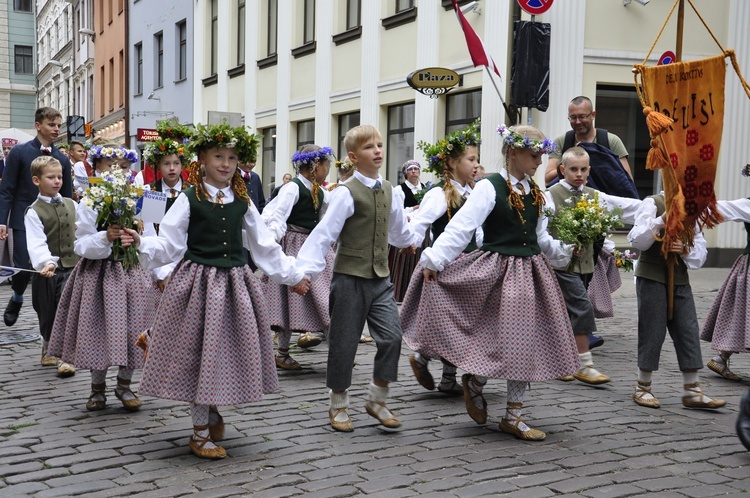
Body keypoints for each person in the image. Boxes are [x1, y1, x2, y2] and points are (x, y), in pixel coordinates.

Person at [127, 123, 310, 459]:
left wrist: (292, 275)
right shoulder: (189, 198)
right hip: (197, 286)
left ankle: (209, 411)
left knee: (223, 352)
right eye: (218, 156)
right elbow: (169, 243)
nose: (225, 163)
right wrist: (142, 245)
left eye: (232, 157)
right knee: (198, 354)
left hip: (236, 286)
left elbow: (264, 246)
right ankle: (199, 433)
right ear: (202, 159)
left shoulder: (242, 200)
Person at [417, 124, 579, 441]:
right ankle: (476, 380)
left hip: (531, 274)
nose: (538, 162)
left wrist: (565, 251)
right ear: (514, 153)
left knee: (524, 342)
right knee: (493, 338)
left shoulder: (537, 194)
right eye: (534, 156)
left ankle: (513, 415)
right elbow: (462, 227)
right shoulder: (489, 187)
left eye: (540, 155)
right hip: (496, 273)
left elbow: (541, 238)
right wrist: (435, 259)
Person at [296, 124, 418, 432]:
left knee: (392, 337)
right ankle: (338, 404)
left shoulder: (390, 189)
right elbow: (324, 235)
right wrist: (302, 272)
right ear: (353, 156)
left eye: (379, 144)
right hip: (349, 278)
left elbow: (397, 228)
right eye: (369, 147)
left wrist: (409, 240)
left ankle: (377, 399)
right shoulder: (346, 193)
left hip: (380, 278)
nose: (377, 150)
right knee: (344, 343)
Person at [47, 146, 160, 414]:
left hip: (132, 273)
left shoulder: (141, 199)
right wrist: (105, 237)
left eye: (122, 167)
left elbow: (155, 239)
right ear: (96, 169)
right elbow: (81, 244)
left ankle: (125, 384)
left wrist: (159, 271)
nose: (117, 172)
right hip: (99, 276)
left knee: (136, 329)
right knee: (99, 330)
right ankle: (97, 388)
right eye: (110, 166)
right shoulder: (89, 202)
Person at [545, 146, 641, 385]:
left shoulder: (594, 195)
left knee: (567, 315)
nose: (579, 174)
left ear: (589, 170)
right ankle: (584, 364)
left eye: (583, 169)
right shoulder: (550, 195)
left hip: (586, 264)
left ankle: (560, 363)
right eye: (573, 169)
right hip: (560, 265)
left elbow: (627, 207)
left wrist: (657, 205)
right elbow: (541, 230)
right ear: (562, 170)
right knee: (582, 306)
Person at [402, 122, 481, 396]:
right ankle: (422, 359)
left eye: (477, 160)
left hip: (472, 266)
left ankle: (449, 380)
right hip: (445, 267)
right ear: (452, 162)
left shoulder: (475, 192)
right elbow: (421, 221)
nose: (475, 164)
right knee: (448, 325)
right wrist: (409, 242)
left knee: (464, 324)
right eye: (471, 159)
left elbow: (479, 232)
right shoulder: (439, 193)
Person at [627, 191, 725, 410]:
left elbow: (699, 252)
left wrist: (685, 249)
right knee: (652, 329)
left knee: (687, 329)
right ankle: (643, 386)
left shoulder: (692, 209)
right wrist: (660, 222)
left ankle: (692, 389)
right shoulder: (653, 203)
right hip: (651, 275)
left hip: (679, 277)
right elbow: (636, 239)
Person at [261, 144, 333, 369]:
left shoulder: (321, 191)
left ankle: (338, 353)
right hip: (294, 245)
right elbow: (278, 214)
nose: (328, 170)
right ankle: (282, 353)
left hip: (315, 246)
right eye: (326, 165)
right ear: (315, 166)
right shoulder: (292, 188)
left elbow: (328, 219)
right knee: (289, 301)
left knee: (329, 298)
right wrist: (273, 240)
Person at [0, 107, 73, 327]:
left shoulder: (62, 158)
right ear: (38, 125)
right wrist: (2, 220)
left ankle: (47, 320)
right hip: (24, 218)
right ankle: (17, 296)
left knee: (49, 270)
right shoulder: (19, 152)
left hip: (53, 221)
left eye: (59, 125)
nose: (56, 129)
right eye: (52, 125)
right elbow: (7, 189)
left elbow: (68, 195)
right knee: (23, 265)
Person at [24, 156, 77, 377]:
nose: (57, 181)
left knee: (68, 310)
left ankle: (65, 357)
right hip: (47, 270)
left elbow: (83, 231)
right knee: (47, 313)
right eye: (51, 177)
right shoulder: (33, 211)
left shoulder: (72, 203)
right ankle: (47, 343)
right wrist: (46, 262)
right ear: (36, 180)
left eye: (60, 177)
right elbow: (36, 242)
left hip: (73, 267)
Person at [699, 195, 750, 381]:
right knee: (742, 315)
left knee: (742, 315)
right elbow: (720, 208)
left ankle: (721, 358)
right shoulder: (747, 204)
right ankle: (720, 358)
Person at [544, 96, 631, 185]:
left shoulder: (611, 141)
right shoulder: (562, 141)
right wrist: (568, 164)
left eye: (582, 116)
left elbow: (627, 180)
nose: (578, 122)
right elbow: (548, 180)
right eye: (573, 117)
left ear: (593, 115)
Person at [389, 160, 428, 303]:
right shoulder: (400, 190)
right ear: (406, 173)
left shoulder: (425, 188)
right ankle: (401, 292)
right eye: (410, 169)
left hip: (422, 229)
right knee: (405, 260)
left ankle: (418, 294)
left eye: (416, 169)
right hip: (407, 226)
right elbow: (398, 211)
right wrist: (413, 209)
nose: (414, 171)